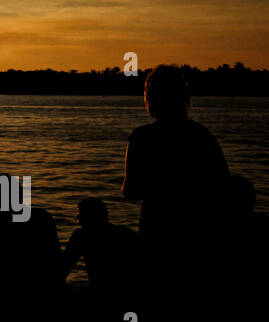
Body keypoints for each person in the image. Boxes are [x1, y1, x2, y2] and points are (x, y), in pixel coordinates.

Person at [121, 66, 229, 260]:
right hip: (197, 231)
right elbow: (222, 186)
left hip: (156, 229)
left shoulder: (142, 138)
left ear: (150, 98)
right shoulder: (201, 136)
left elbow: (131, 191)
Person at [62, 198, 140, 297]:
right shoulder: (125, 233)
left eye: (80, 215)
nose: (78, 220)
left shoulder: (82, 236)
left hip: (99, 292)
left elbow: (65, 267)